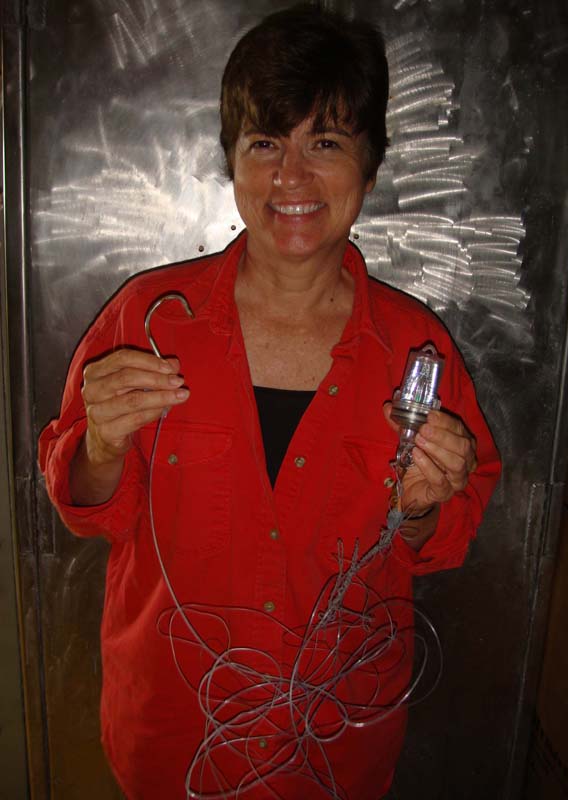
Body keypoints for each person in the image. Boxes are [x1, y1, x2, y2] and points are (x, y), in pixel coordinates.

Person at [39, 4, 501, 799]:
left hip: (335, 749)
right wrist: (102, 449)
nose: (292, 177)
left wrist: (420, 506)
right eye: (265, 145)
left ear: (370, 165)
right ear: (232, 163)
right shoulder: (148, 321)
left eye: (325, 143)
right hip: (170, 740)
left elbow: (436, 540)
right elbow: (81, 505)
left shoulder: (415, 350)